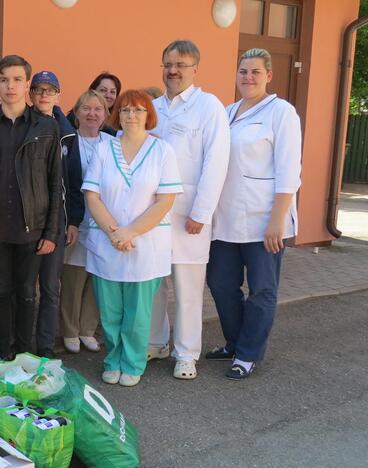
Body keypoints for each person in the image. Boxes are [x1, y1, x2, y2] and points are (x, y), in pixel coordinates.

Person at [206, 48, 302, 380]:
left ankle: (248, 353)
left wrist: (278, 218)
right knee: (219, 283)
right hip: (226, 217)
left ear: (269, 76)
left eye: (255, 72)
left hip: (264, 219)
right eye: (243, 71)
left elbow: (290, 169)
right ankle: (234, 342)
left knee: (262, 289)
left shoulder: (282, 112)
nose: (248, 77)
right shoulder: (228, 112)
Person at [82, 89, 182, 387]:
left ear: (148, 115)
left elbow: (165, 201)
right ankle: (113, 359)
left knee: (138, 313)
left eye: (138, 110)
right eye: (125, 110)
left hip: (145, 245)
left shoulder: (162, 151)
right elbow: (92, 195)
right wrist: (116, 233)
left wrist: (130, 232)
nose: (131, 116)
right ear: (118, 115)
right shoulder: (104, 149)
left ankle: (134, 362)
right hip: (108, 243)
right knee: (110, 311)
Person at [0, 55, 62, 361]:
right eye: (4, 79)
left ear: (27, 84)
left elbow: (54, 182)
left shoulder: (46, 127)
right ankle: (3, 352)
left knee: (27, 293)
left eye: (17, 79)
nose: (10, 86)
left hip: (30, 227)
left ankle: (25, 354)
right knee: (1, 293)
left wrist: (51, 231)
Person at [147, 40, 230, 380]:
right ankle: (155, 342)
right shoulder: (153, 107)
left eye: (181, 64)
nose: (173, 70)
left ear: (196, 68)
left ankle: (186, 352)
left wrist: (202, 210)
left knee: (187, 288)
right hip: (152, 214)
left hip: (188, 214)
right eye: (168, 63)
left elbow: (216, 161)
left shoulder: (209, 107)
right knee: (153, 283)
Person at [60, 90, 111, 354]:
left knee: (96, 277)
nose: (92, 114)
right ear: (77, 112)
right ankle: (69, 330)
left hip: (105, 222)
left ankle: (87, 330)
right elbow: (64, 185)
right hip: (78, 221)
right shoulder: (67, 142)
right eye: (86, 109)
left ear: (105, 114)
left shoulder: (113, 142)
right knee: (74, 277)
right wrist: (70, 220)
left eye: (98, 109)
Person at [28, 70, 75, 357]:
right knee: (23, 288)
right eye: (39, 89)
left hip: (56, 220)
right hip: (27, 220)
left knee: (50, 288)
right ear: (31, 94)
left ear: (58, 94)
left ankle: (45, 348)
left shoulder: (68, 132)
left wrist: (74, 220)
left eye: (50, 90)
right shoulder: (22, 124)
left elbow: (74, 178)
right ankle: (21, 346)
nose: (44, 95)